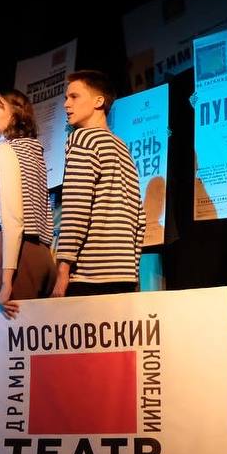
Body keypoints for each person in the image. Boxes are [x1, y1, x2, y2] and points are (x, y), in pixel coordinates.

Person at [54, 70, 143, 297]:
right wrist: (133, 270)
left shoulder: (82, 139)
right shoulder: (122, 147)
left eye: (74, 97)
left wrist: (63, 270)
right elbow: (139, 217)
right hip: (124, 275)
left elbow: (76, 208)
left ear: (99, 101)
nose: (66, 104)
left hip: (89, 275)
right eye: (66, 98)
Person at [0, 90, 55, 317]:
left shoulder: (5, 150)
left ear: (15, 115)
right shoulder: (33, 151)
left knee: (2, 333)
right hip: (41, 254)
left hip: (12, 252)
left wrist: (7, 280)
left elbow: (14, 216)